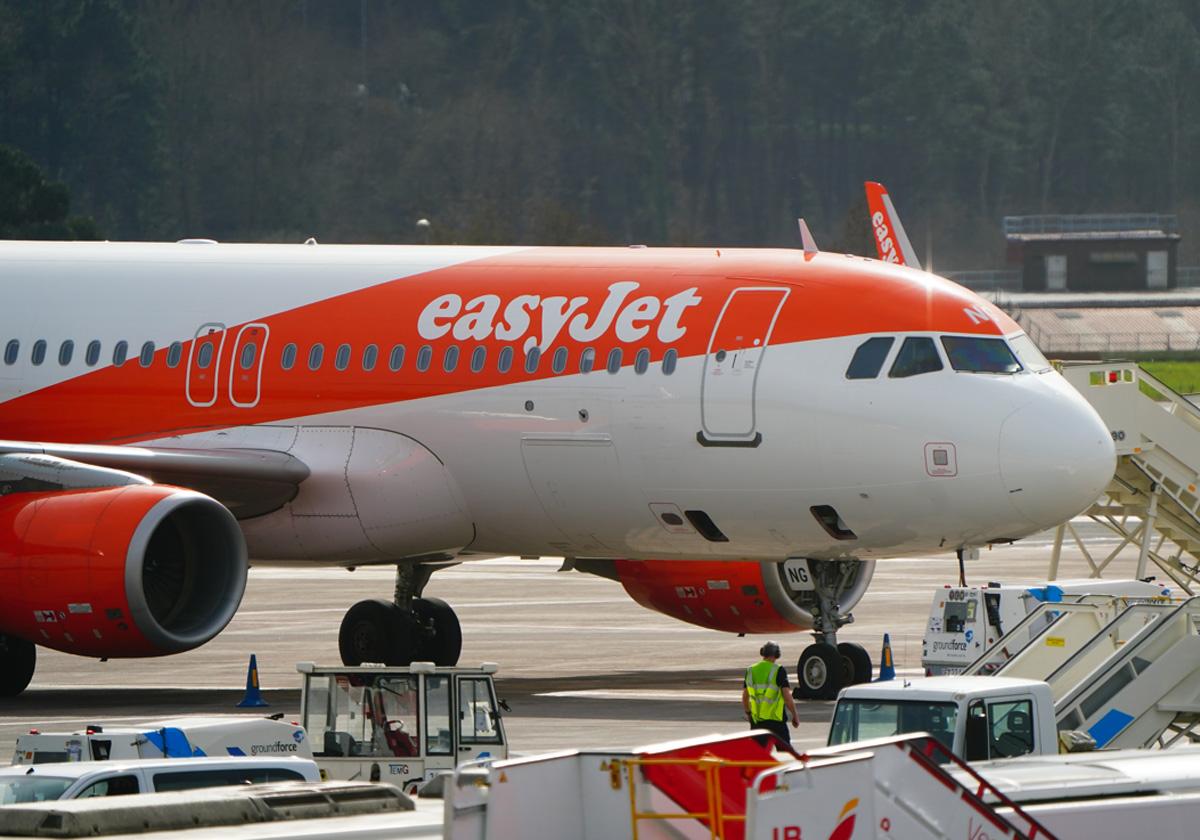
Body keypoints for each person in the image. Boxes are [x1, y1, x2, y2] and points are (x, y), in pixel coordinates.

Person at [743, 640, 799, 744]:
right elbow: (787, 697)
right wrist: (795, 715)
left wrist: (748, 713)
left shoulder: (750, 670)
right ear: (777, 655)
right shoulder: (778, 670)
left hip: (757, 721)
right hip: (776, 721)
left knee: (759, 756)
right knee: (786, 754)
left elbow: (745, 697)